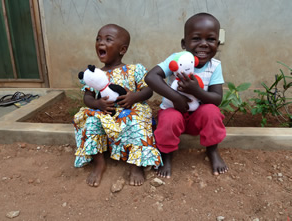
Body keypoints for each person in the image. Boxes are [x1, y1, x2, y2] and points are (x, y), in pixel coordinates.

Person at [73, 24, 162, 187]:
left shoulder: (134, 69)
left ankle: (136, 165)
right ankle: (99, 163)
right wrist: (97, 104)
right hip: (105, 112)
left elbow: (148, 90)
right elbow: (87, 97)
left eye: (108, 39)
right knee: (91, 122)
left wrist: (134, 97)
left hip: (130, 110)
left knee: (138, 122)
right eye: (98, 39)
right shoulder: (95, 74)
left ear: (122, 49)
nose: (101, 43)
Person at [145, 13, 228, 178]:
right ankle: (167, 155)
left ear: (217, 44)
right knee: (168, 119)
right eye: (196, 38)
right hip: (174, 113)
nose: (204, 44)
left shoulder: (214, 66)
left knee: (212, 112)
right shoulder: (176, 59)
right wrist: (176, 98)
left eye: (210, 39)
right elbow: (151, 77)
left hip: (197, 118)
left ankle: (212, 151)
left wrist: (196, 91)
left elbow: (217, 99)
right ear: (184, 43)